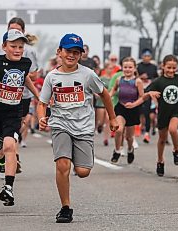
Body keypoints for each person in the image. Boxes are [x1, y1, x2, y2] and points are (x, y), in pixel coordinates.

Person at [36, 33, 118, 223]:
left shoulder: (87, 75)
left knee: (82, 172)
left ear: (80, 55)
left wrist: (112, 118)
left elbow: (104, 95)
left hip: (83, 127)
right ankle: (65, 208)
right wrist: (41, 118)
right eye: (68, 51)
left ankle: (76, 155)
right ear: (59, 52)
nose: (71, 55)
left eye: (76, 52)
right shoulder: (52, 77)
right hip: (60, 125)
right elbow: (42, 103)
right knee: (62, 164)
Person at [0, 29, 39, 206]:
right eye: (13, 46)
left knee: (10, 145)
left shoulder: (26, 62)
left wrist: (38, 95)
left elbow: (26, 79)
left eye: (20, 47)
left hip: (13, 112)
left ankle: (8, 187)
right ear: (4, 47)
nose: (17, 50)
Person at [0, 17, 40, 170]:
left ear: (23, 32)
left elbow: (34, 74)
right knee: (7, 124)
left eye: (18, 30)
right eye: (11, 29)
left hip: (23, 94)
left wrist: (20, 73)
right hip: (3, 95)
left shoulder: (30, 51)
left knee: (18, 123)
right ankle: (12, 152)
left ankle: (13, 151)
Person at [109, 57, 144, 164]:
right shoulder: (119, 79)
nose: (127, 69)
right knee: (118, 130)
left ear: (134, 68)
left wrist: (133, 104)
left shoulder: (137, 81)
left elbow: (142, 97)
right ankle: (117, 150)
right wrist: (109, 96)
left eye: (130, 67)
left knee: (129, 137)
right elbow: (114, 89)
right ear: (122, 68)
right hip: (121, 107)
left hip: (132, 109)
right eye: (125, 67)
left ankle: (130, 150)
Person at [137, 49, 159, 143]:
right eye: (145, 56)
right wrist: (141, 77)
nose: (146, 58)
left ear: (151, 57)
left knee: (147, 112)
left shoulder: (153, 67)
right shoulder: (138, 66)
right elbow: (134, 76)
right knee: (139, 111)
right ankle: (139, 127)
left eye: (148, 56)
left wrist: (149, 79)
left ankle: (147, 132)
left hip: (149, 91)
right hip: (138, 90)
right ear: (142, 57)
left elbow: (156, 78)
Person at [95, 62, 113, 146]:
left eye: (112, 68)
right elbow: (94, 88)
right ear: (105, 69)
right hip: (100, 102)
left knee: (108, 119)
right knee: (101, 121)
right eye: (109, 68)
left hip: (109, 102)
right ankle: (100, 126)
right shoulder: (101, 78)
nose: (110, 70)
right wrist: (97, 95)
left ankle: (106, 138)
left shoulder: (114, 79)